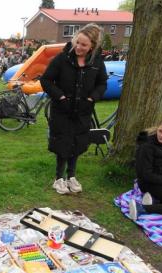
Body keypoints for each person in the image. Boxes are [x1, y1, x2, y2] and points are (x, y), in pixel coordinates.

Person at [40, 23, 107, 194]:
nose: (79, 47)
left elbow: (102, 83)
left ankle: (71, 176)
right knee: (62, 143)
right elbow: (46, 80)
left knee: (77, 143)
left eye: (84, 45)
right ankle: (58, 178)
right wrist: (60, 97)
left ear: (92, 45)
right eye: (77, 42)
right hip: (62, 110)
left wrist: (92, 98)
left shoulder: (97, 62)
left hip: (83, 111)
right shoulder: (62, 59)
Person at [129, 116, 162, 220]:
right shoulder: (146, 146)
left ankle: (154, 201)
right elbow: (145, 174)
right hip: (150, 183)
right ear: (157, 129)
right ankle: (142, 209)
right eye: (160, 131)